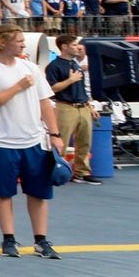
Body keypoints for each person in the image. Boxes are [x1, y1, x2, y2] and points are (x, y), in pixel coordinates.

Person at [0, 23, 63, 258]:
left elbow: (45, 102)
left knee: (39, 193)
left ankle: (41, 240)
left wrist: (54, 134)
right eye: (19, 40)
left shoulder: (31, 67)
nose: (24, 44)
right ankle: (8, 239)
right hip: (1, 141)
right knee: (2, 192)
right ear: (3, 42)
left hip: (35, 140)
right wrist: (18, 87)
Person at [44, 32, 102, 185]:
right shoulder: (54, 66)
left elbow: (81, 88)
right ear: (64, 47)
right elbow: (51, 88)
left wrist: (89, 105)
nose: (78, 48)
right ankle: (57, 171)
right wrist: (70, 80)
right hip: (65, 106)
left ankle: (82, 172)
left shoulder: (75, 65)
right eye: (74, 45)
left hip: (82, 106)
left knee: (84, 142)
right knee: (60, 142)